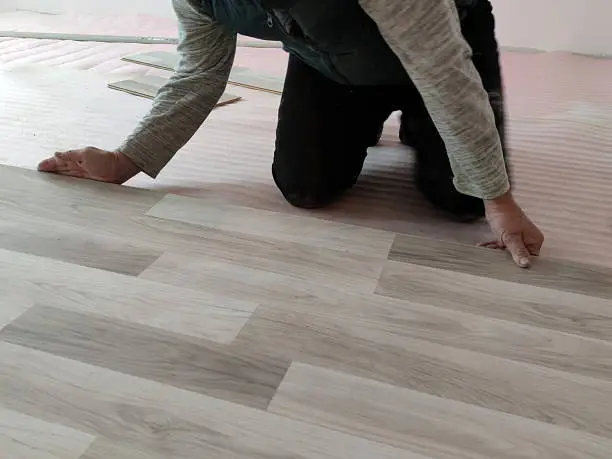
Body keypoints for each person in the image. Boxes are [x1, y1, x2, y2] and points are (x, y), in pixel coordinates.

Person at [38, 0, 544, 267]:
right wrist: (126, 161)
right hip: (331, 62)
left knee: (461, 200)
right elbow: (199, 72)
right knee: (304, 187)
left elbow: (441, 71)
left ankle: (417, 119)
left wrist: (496, 198)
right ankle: (370, 113)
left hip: (443, 51)